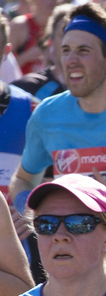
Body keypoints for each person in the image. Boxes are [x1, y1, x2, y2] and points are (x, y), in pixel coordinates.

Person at [9, 1, 106, 211]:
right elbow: (22, 179)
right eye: (65, 50)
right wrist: (34, 212)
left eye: (83, 50)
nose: (70, 60)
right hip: (70, 239)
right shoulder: (47, 114)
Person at [0, 15, 35, 202]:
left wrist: (26, 209)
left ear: (6, 52)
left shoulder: (32, 109)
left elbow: (47, 177)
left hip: (14, 229)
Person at [14, 2, 71, 101]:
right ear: (51, 41)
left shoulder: (99, 86)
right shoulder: (26, 89)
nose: (71, 42)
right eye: (63, 34)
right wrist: (25, 57)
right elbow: (4, 62)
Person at [10, 0, 56, 76]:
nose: (52, 1)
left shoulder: (59, 25)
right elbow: (3, 64)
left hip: (51, 85)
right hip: (23, 84)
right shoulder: (19, 25)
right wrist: (25, 57)